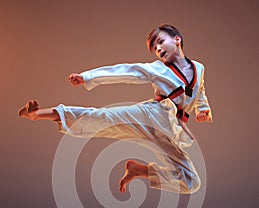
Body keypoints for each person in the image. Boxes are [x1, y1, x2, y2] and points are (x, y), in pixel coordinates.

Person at [19, 24, 212, 194]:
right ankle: (37, 114)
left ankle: (139, 171)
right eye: (155, 48)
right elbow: (124, 71)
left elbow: (199, 90)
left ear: (177, 39)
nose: (158, 49)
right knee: (103, 118)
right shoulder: (158, 69)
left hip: (170, 130)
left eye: (161, 42)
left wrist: (202, 109)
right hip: (151, 116)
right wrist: (87, 77)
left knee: (191, 182)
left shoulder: (199, 68)